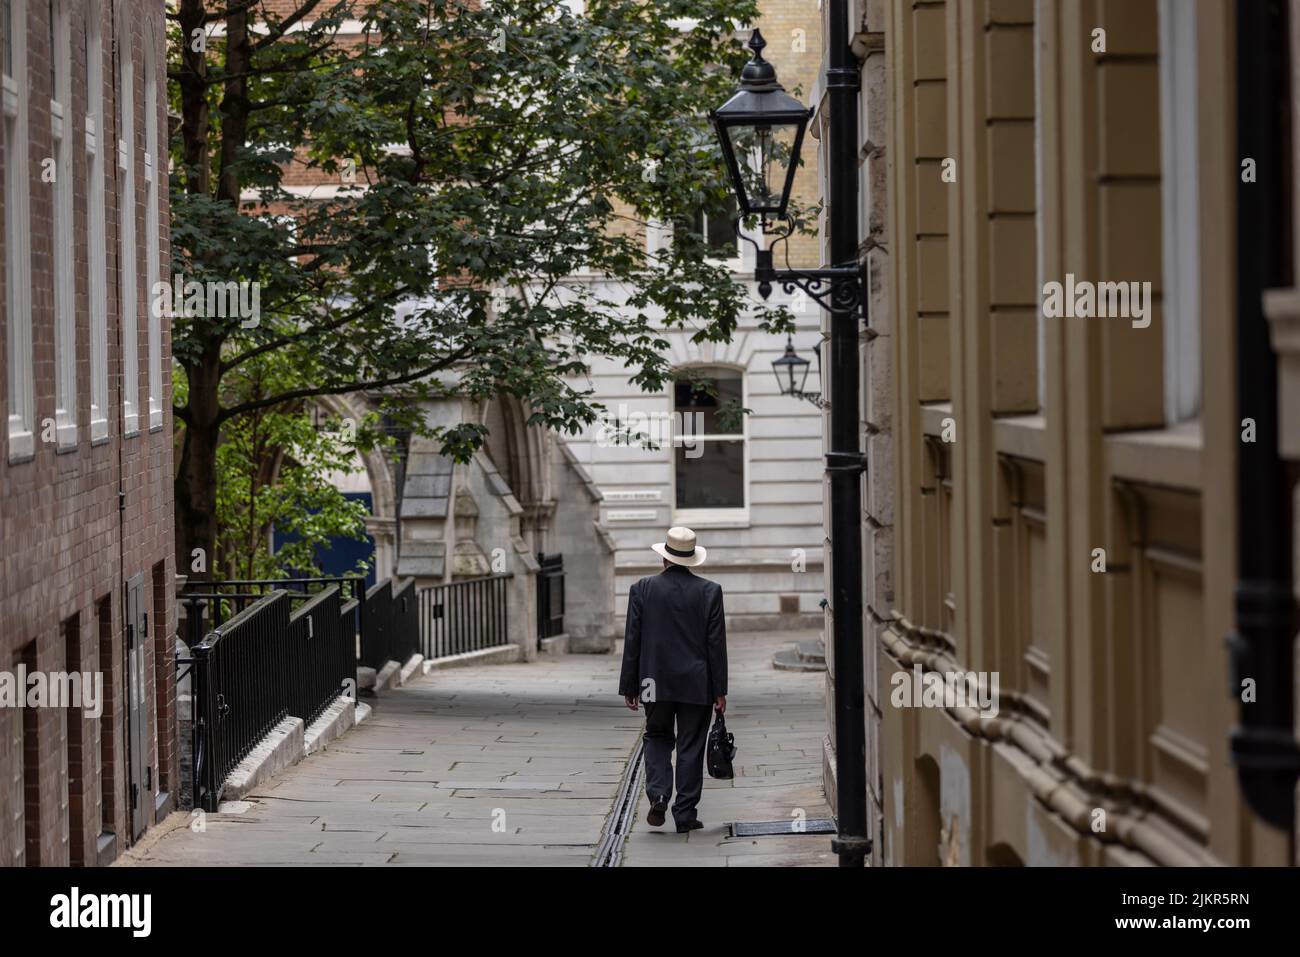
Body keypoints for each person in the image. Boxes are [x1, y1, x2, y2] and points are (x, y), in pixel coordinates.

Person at [618, 526, 728, 833]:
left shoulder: (642, 589)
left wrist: (630, 685)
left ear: (664, 558)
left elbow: (633, 641)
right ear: (692, 559)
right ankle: (685, 813)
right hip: (697, 683)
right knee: (691, 745)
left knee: (656, 736)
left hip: (653, 682)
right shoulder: (709, 591)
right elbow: (715, 644)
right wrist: (719, 690)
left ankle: (659, 794)